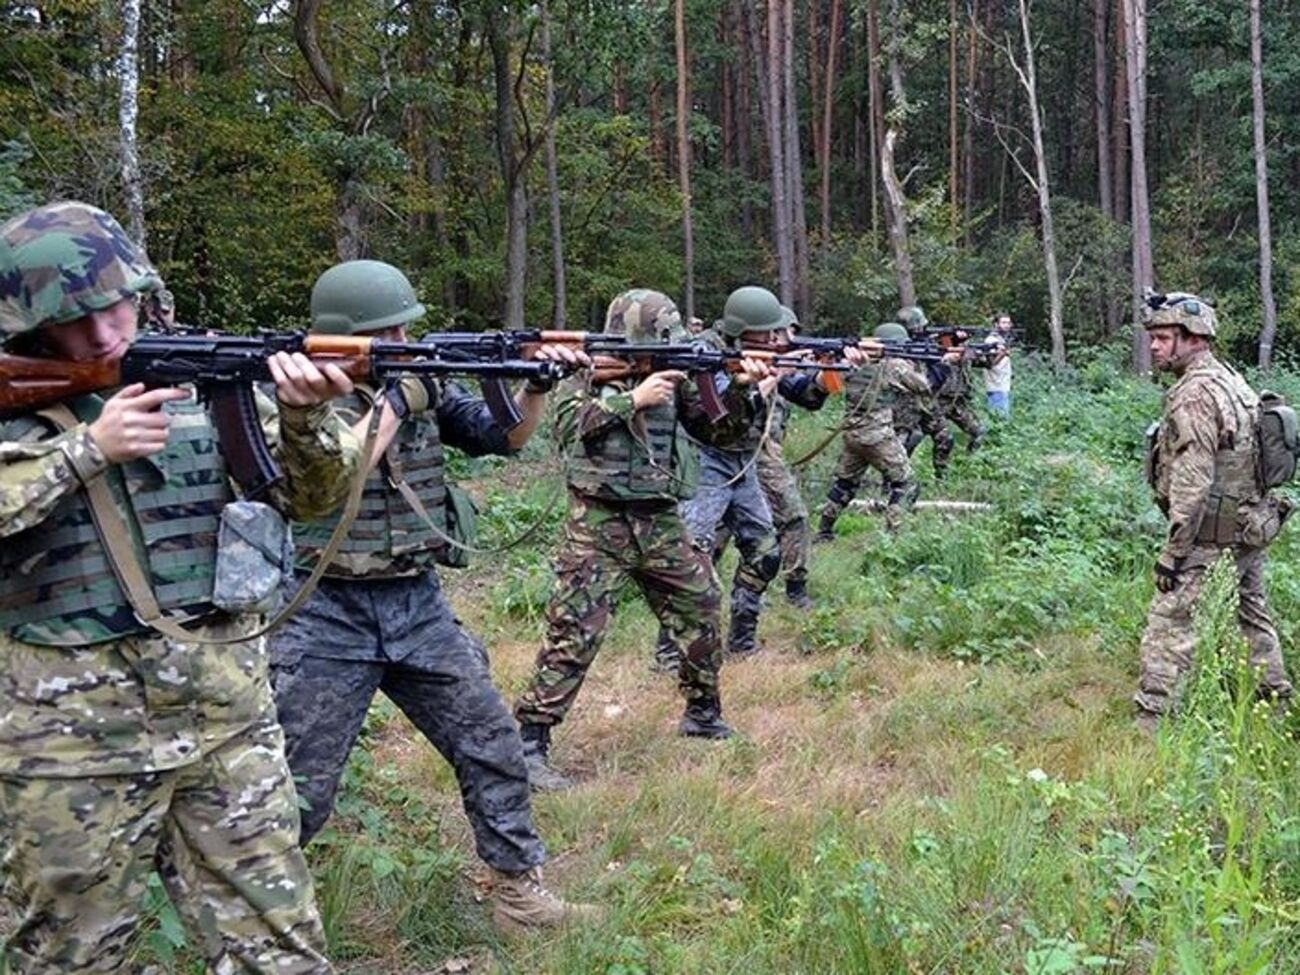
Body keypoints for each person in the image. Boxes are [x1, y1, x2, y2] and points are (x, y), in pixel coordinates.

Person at [0, 201, 360, 973]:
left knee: (282, 952)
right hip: (71, 744)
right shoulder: (15, 406)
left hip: (224, 717)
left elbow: (313, 498)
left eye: (116, 304)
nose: (105, 333)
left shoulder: (205, 380)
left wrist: (304, 419)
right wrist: (84, 451)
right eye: (76, 318)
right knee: (72, 957)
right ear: (30, 324)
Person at [268, 259, 596, 931]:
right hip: (325, 610)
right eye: (386, 332)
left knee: (491, 741)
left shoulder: (416, 381)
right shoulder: (296, 400)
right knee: (300, 784)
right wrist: (394, 402)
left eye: (403, 328)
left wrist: (533, 387)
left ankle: (518, 891)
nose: (401, 340)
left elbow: (505, 437)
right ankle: (264, 912)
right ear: (341, 336)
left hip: (415, 603)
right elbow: (329, 476)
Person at [514, 289, 770, 791]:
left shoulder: (678, 372)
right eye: (658, 340)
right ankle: (530, 742)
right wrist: (634, 398)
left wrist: (741, 389)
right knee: (575, 629)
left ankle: (702, 713)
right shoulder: (584, 367)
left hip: (659, 517)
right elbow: (566, 428)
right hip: (599, 520)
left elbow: (718, 431)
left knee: (700, 605)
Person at [656, 286, 865, 661]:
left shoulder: (761, 353)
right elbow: (716, 416)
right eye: (766, 333)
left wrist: (828, 375)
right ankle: (671, 654)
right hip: (706, 462)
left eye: (775, 334)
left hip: (745, 463)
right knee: (693, 559)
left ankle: (742, 643)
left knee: (765, 553)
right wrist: (762, 378)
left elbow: (804, 392)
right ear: (739, 329)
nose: (774, 339)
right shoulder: (704, 351)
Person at [1135, 291, 1293, 728]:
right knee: (1250, 613)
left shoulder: (1195, 394)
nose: (1154, 346)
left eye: (1164, 338)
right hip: (1249, 525)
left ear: (1193, 338)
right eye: (1153, 337)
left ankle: (1153, 720)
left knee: (1171, 621)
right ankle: (1275, 701)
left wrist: (1174, 552)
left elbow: (1193, 479)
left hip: (1211, 533)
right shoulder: (1230, 379)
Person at [712, 310, 813, 609]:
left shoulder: (773, 359)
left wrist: (823, 375)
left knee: (789, 520)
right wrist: (769, 378)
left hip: (761, 454)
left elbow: (808, 396)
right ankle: (698, 591)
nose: (783, 339)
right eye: (780, 333)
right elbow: (722, 412)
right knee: (715, 533)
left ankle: (791, 591)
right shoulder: (719, 357)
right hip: (722, 458)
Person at [817, 322, 935, 539]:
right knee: (907, 484)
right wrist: (914, 364)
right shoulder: (893, 365)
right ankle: (892, 536)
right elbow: (924, 386)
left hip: (853, 435)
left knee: (845, 484)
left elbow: (830, 385)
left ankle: (824, 531)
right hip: (878, 437)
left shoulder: (852, 362)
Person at [983, 312, 1014, 417]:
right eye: (1003, 322)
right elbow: (990, 363)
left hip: (1003, 383)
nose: (1006, 325)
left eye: (1008, 323)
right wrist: (1003, 353)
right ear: (996, 324)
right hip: (996, 385)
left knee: (1001, 417)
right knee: (999, 419)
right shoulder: (991, 340)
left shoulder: (1001, 339)